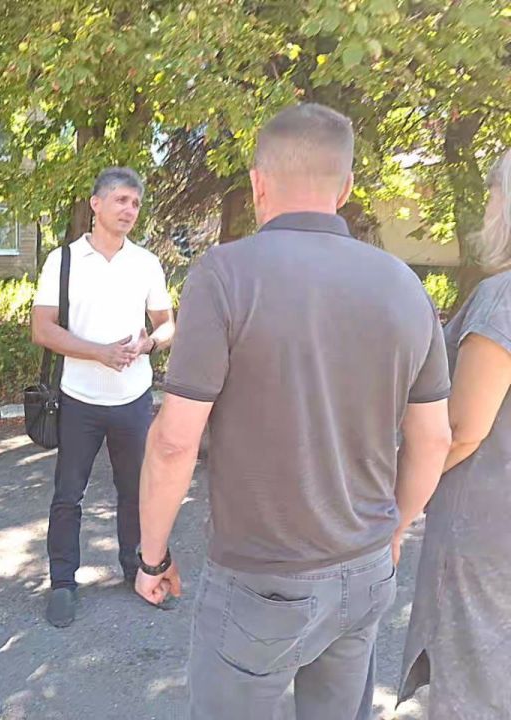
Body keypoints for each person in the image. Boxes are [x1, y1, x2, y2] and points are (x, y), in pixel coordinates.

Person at [135, 104, 452, 719]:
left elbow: (173, 442)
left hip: (260, 581)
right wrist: (392, 533)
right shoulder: (405, 285)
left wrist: (153, 558)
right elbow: (433, 439)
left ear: (258, 182)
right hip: (364, 569)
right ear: (346, 187)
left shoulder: (224, 275)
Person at [30, 167, 175, 627]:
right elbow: (42, 329)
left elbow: (167, 324)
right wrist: (99, 353)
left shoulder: (146, 263)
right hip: (79, 400)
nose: (130, 210)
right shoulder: (63, 261)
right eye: (121, 200)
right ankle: (62, 583)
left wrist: (149, 344)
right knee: (68, 495)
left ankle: (136, 570)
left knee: (134, 492)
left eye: (135, 203)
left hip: (133, 400)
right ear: (96, 204)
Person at [398, 148, 511, 717]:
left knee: (469, 681)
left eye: (492, 190)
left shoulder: (502, 296)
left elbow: (462, 429)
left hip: (481, 529)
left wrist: (397, 507)